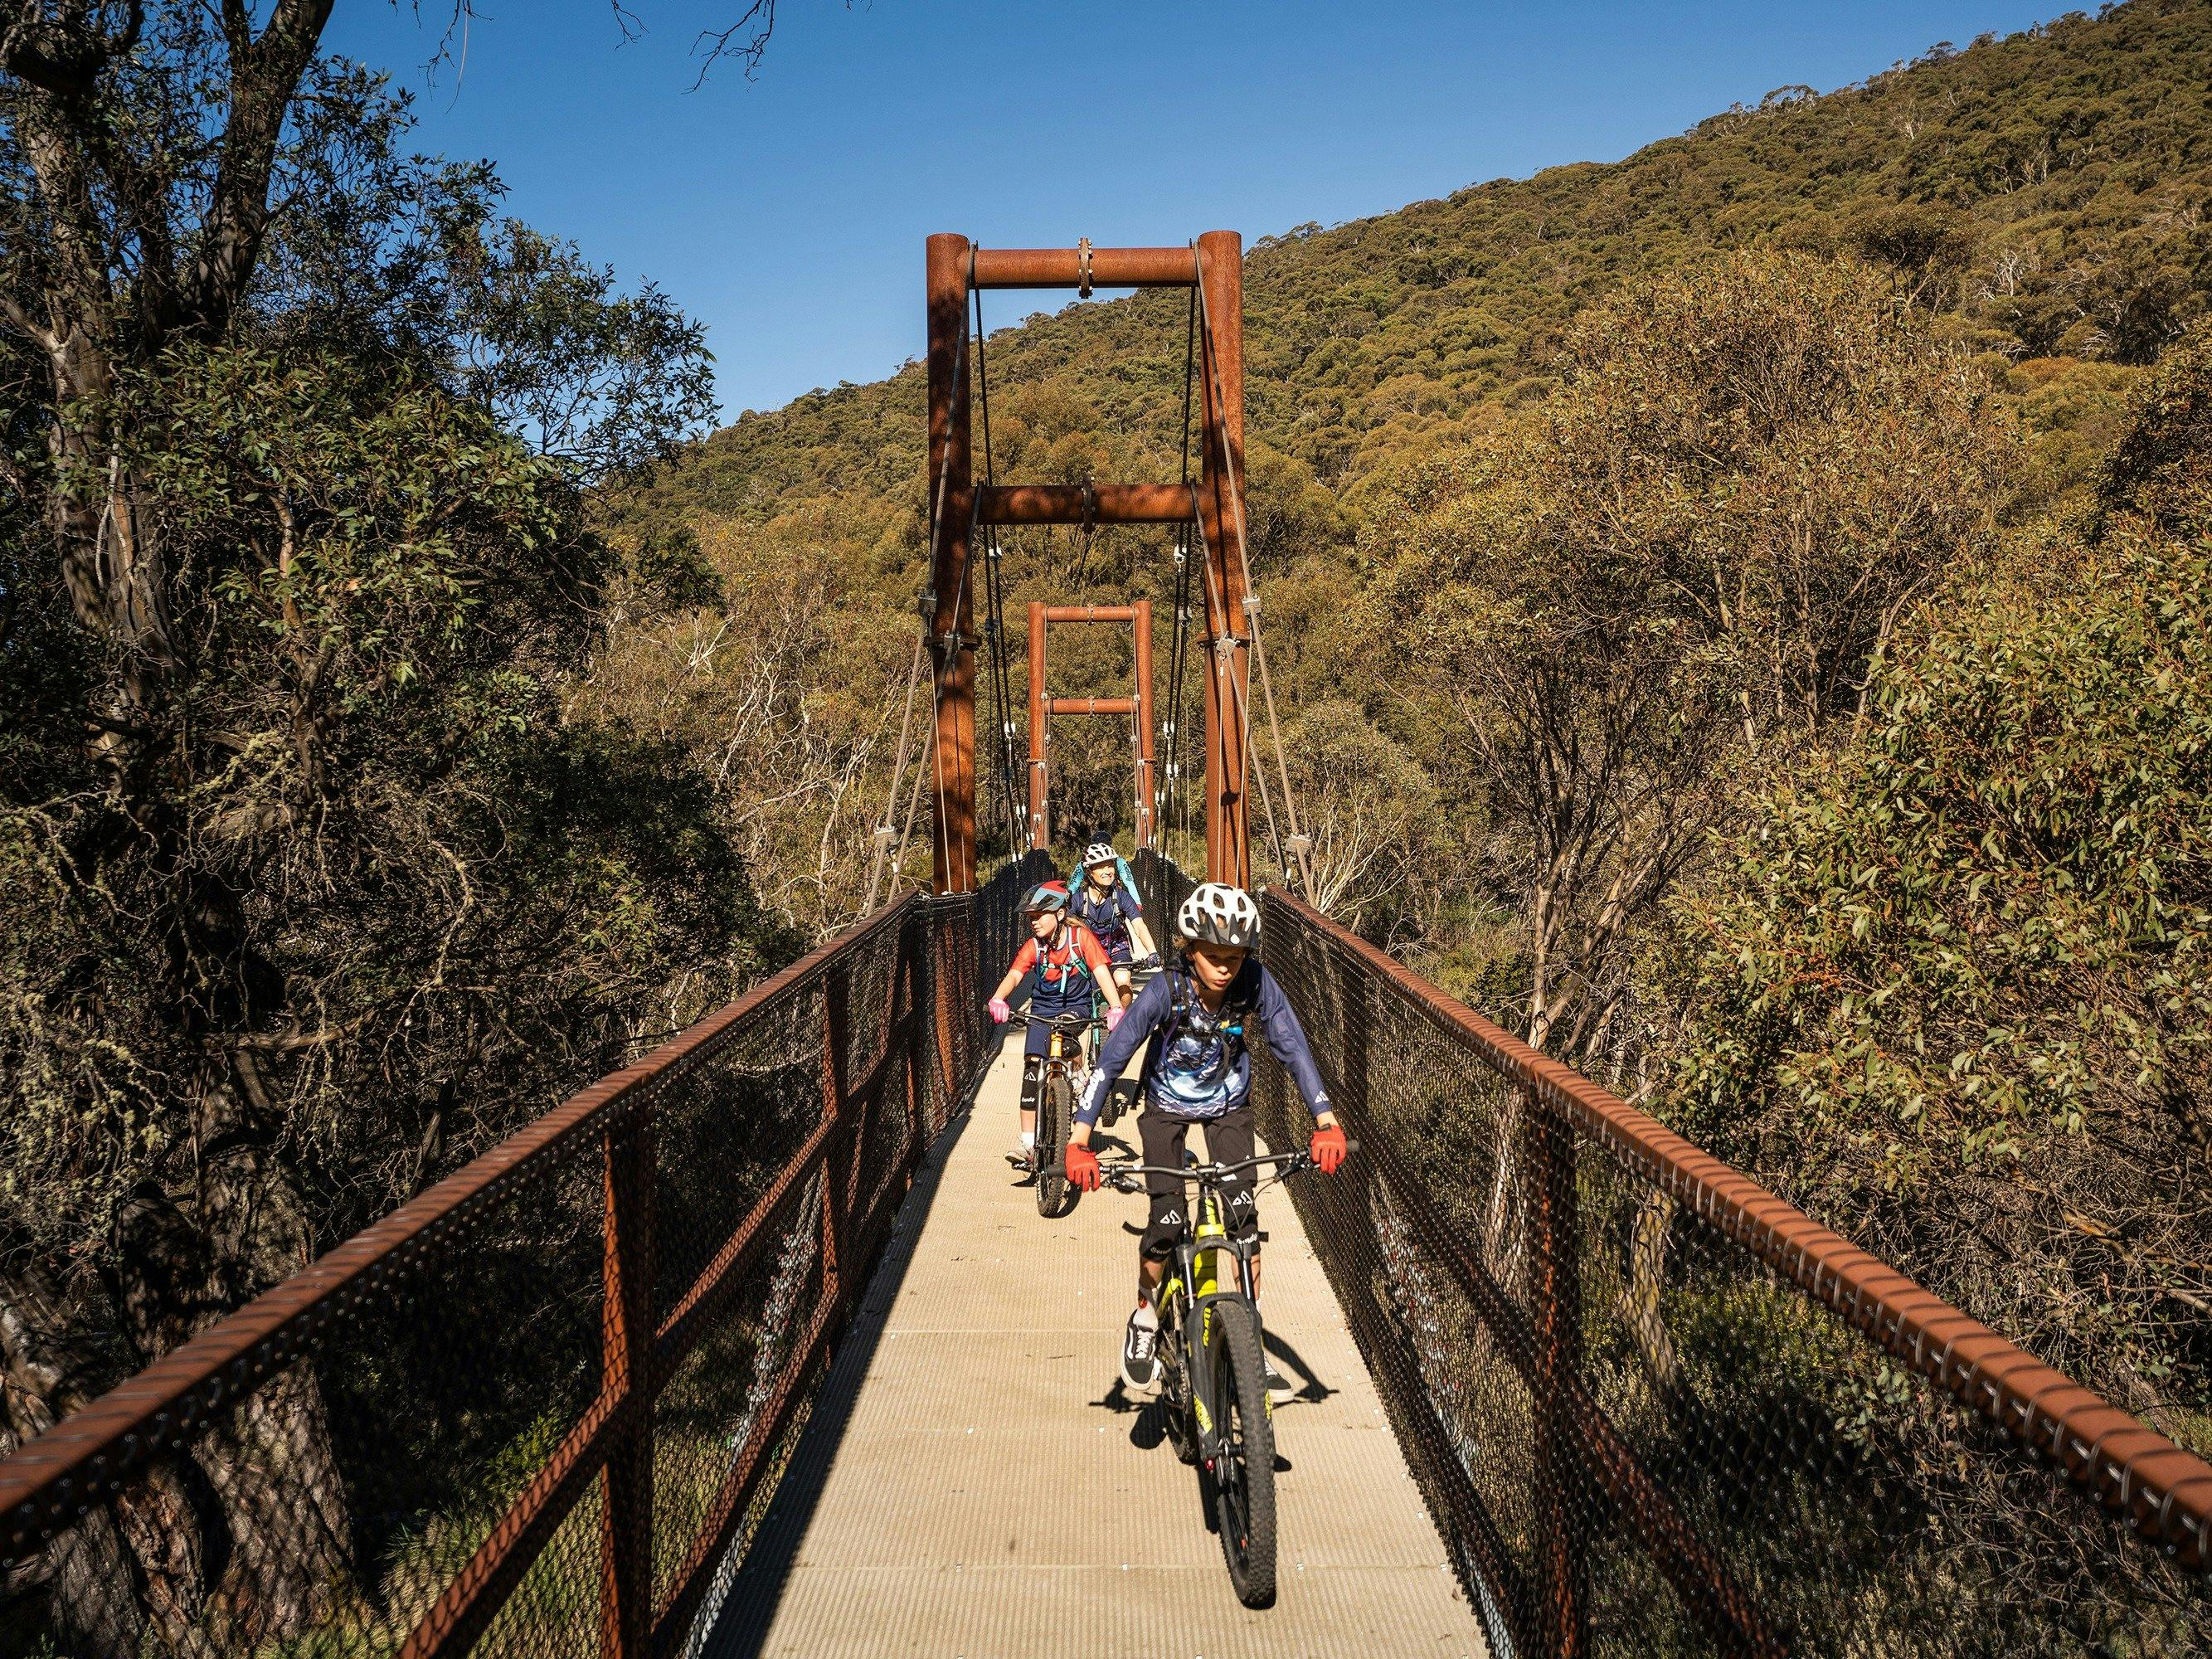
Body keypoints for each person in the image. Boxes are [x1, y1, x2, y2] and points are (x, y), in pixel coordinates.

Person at [1062, 881, 1347, 1398]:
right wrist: (1080, 1137)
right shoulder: (1164, 990)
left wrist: (1325, 1118)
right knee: (1167, 1220)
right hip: (1165, 1109)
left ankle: (1249, 1344)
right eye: (1212, 955)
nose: (1224, 967)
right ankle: (1146, 1316)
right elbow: (1113, 1057)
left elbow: (1292, 1045)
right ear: (1189, 950)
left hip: (1228, 1107)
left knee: (1243, 1221)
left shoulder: (1255, 984)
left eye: (1235, 957)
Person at [986, 881, 1130, 1170]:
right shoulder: (1034, 946)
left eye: (1040, 915)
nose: (1034, 922)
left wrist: (1115, 1006)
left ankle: (1074, 1075)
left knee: (1064, 1029)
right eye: (1031, 918)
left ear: (1061, 914)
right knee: (1031, 1068)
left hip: (1075, 1008)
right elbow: (1016, 975)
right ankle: (1027, 1142)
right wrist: (999, 999)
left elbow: (1101, 972)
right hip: (1041, 1009)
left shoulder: (1080, 939)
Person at [1067, 842, 1158, 1000]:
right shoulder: (1079, 899)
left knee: (1123, 984)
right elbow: (1064, 922)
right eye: (1101, 867)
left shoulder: (1121, 897)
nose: (1108, 871)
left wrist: (1152, 952)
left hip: (1117, 946)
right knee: (1087, 992)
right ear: (1089, 872)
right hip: (1090, 949)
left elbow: (1139, 926)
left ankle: (1121, 1023)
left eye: (1110, 866)